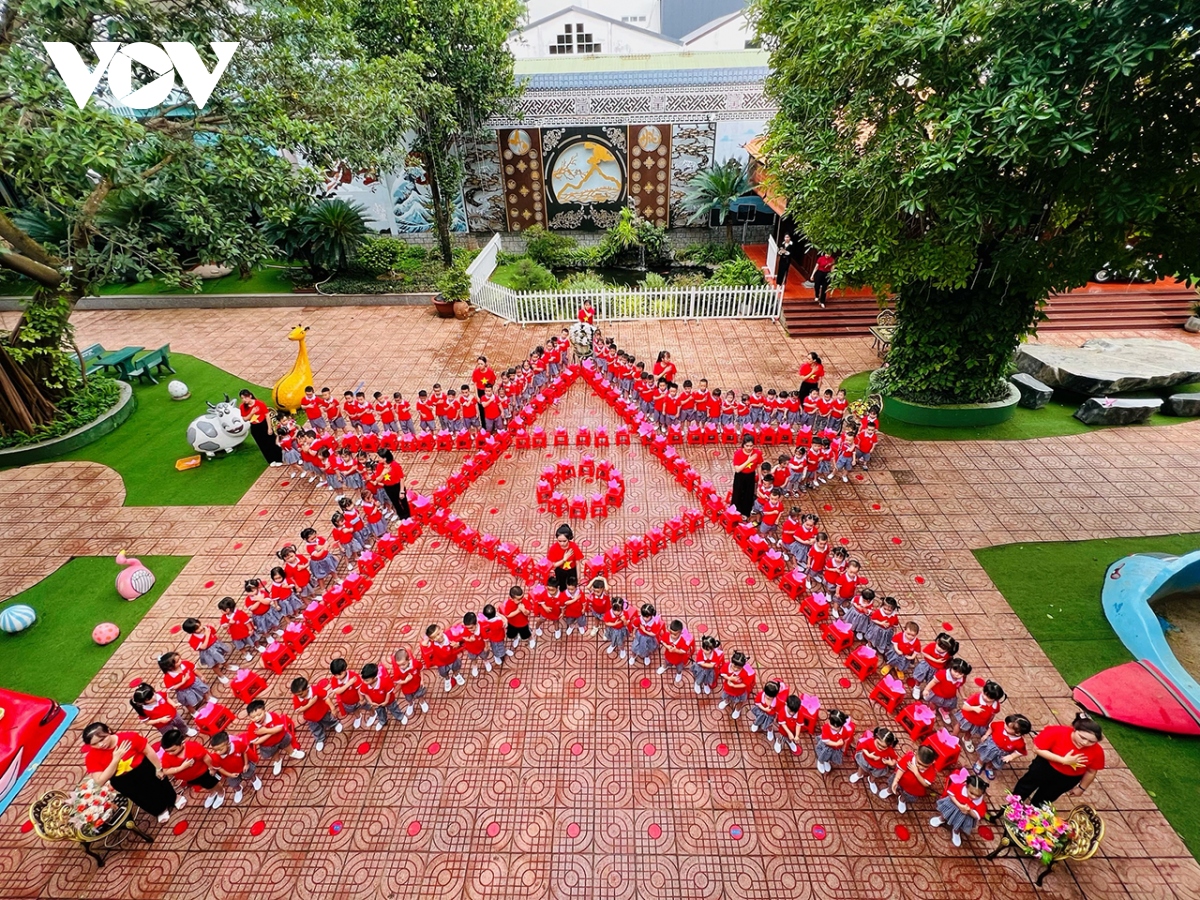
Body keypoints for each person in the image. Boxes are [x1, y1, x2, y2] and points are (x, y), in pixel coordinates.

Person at [82, 721, 181, 824]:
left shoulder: (129, 737)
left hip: (143, 768)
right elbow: (100, 781)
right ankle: (159, 810)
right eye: (94, 744)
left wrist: (158, 768)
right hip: (122, 780)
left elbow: (147, 751)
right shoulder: (92, 757)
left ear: (108, 731)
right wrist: (115, 759)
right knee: (141, 796)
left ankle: (173, 798)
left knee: (160, 784)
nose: (101, 744)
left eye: (102, 739)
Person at [1011, 713, 1105, 805]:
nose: (1085, 743)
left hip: (1066, 779)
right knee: (1025, 787)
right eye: (1082, 737)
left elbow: (1091, 771)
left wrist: (1081, 788)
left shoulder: (1097, 751)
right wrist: (1063, 760)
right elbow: (1037, 749)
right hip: (1044, 767)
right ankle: (1012, 807)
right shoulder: (1056, 732)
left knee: (1045, 799)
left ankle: (1032, 814)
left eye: (1091, 741)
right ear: (1074, 730)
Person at [159, 728, 223, 808]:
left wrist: (211, 768)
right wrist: (182, 767)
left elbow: (205, 757)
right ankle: (212, 793)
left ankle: (221, 793)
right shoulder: (166, 756)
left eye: (173, 750)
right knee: (205, 785)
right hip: (191, 778)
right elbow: (166, 771)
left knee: (214, 783)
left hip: (204, 773)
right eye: (167, 751)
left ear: (182, 743)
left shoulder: (193, 747)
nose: (170, 753)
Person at [930, 774, 989, 847]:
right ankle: (941, 819)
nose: (974, 797)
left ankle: (956, 831)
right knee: (946, 814)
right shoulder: (959, 787)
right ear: (966, 786)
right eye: (971, 793)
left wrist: (969, 811)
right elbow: (951, 795)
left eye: (978, 796)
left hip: (965, 816)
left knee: (959, 824)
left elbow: (978, 815)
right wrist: (959, 805)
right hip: (953, 806)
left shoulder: (980, 803)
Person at [207, 730, 260, 805]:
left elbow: (244, 752)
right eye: (215, 750)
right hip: (230, 773)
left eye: (220, 749)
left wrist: (246, 764)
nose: (218, 752)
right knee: (233, 784)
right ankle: (238, 790)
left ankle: (254, 779)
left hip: (242, 767)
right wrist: (229, 775)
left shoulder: (237, 745)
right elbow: (219, 768)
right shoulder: (215, 757)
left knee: (250, 774)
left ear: (228, 744)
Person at [850, 726, 899, 798]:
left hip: (879, 766)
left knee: (875, 775)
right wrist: (868, 755)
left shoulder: (890, 750)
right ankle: (859, 775)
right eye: (878, 743)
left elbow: (894, 758)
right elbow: (863, 747)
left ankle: (871, 780)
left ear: (889, 746)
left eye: (883, 747)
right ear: (875, 738)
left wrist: (891, 763)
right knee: (862, 768)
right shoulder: (870, 741)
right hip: (866, 760)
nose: (880, 747)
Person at [238, 389, 283, 465]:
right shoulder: (242, 407)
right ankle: (271, 460)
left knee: (271, 442)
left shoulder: (260, 403)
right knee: (262, 444)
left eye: (245, 397)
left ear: (250, 396)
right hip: (255, 427)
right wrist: (252, 413)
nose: (244, 400)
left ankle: (279, 458)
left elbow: (267, 415)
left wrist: (269, 428)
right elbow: (245, 419)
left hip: (264, 424)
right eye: (242, 398)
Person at [373, 449, 410, 520]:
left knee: (403, 501)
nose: (378, 459)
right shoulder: (379, 466)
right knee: (395, 502)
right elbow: (377, 480)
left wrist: (402, 491)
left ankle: (408, 516)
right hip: (388, 487)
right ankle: (402, 517)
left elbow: (401, 478)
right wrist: (383, 473)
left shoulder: (395, 465)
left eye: (379, 457)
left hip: (398, 486)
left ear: (385, 458)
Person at [731, 435, 763, 518]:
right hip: (740, 476)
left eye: (751, 446)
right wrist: (749, 460)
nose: (749, 448)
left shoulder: (757, 453)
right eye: (747, 446)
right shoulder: (738, 453)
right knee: (737, 494)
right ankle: (735, 511)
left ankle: (745, 512)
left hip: (750, 475)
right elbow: (737, 469)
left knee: (748, 494)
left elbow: (759, 466)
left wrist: (759, 479)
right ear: (743, 445)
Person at [815, 709, 854, 774]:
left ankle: (826, 761)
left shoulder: (844, 731)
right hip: (826, 747)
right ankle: (820, 762)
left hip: (836, 749)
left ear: (841, 725)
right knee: (823, 755)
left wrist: (843, 747)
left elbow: (846, 739)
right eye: (830, 723)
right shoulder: (826, 728)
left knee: (830, 757)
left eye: (835, 726)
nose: (832, 727)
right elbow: (826, 741)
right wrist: (836, 743)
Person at [546, 525, 582, 591]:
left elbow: (577, 562)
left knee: (572, 586)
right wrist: (564, 559)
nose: (562, 543)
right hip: (560, 570)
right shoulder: (553, 549)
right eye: (559, 541)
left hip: (572, 570)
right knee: (562, 585)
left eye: (564, 541)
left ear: (569, 538)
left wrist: (579, 576)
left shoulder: (574, 547)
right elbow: (553, 565)